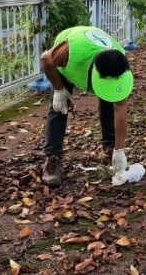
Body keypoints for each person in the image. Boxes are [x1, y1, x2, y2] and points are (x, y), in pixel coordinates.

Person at [40, 25, 134, 186]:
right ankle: (52, 158)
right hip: (71, 54)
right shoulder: (69, 54)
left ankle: (110, 148)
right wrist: (59, 90)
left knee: (109, 103)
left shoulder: (120, 66)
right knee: (59, 107)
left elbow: (120, 110)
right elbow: (45, 60)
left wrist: (120, 149)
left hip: (95, 52)